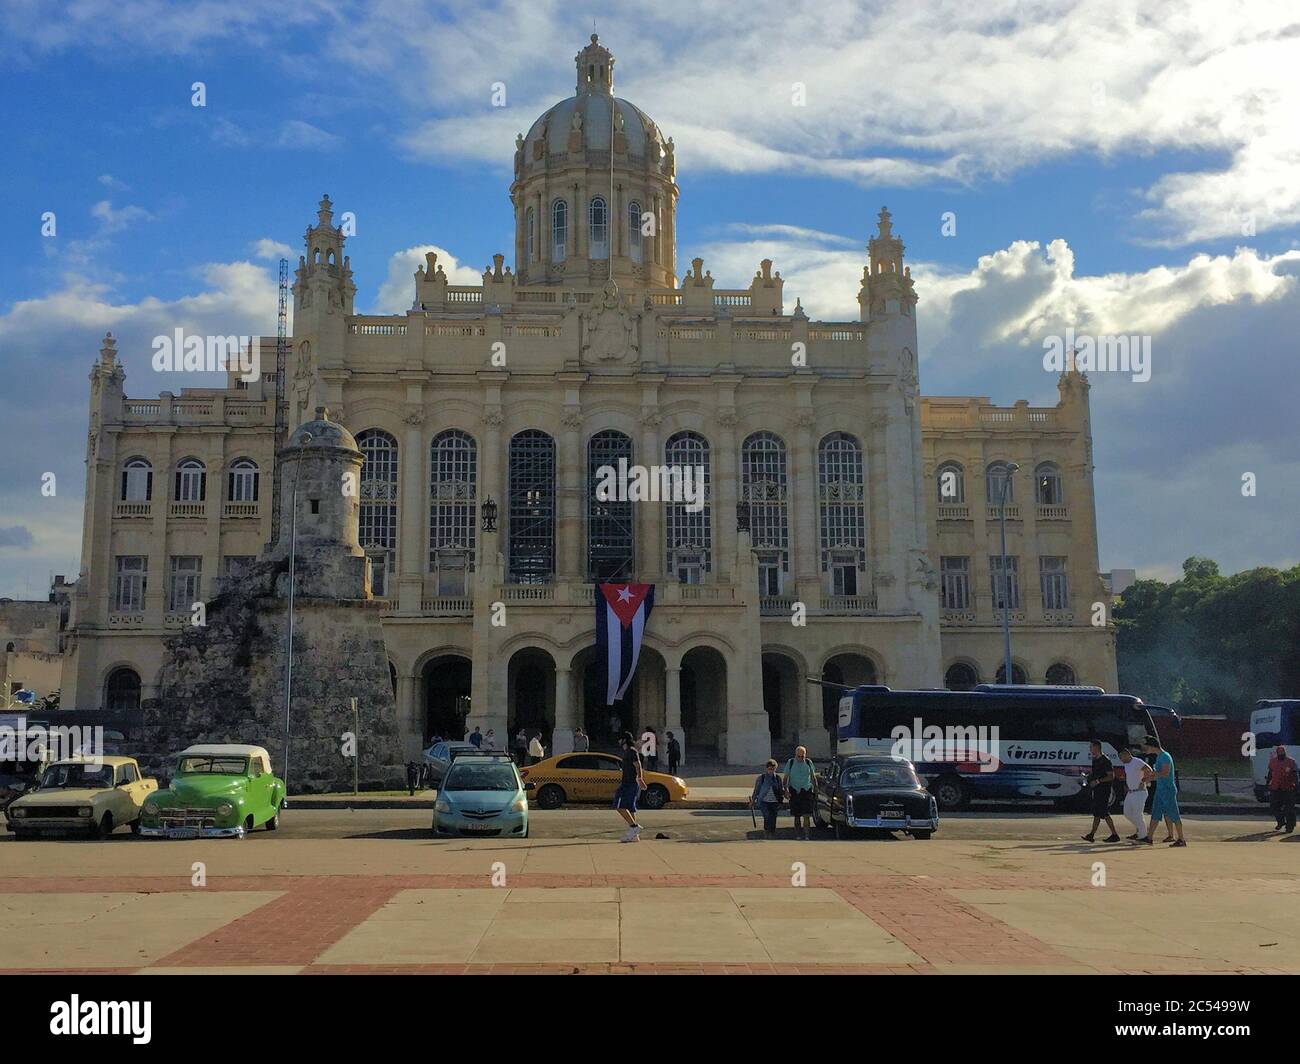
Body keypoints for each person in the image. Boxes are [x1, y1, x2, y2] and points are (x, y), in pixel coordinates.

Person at [1144, 735, 1185, 847]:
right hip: (1160, 790)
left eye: (1147, 746)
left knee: (1174, 814)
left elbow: (1165, 773)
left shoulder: (1165, 756)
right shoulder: (1159, 757)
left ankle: (1181, 839)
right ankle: (1149, 838)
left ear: (1152, 746)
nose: (1145, 749)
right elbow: (1159, 775)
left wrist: (1153, 774)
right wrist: (1149, 779)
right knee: (1156, 813)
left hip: (1167, 790)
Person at [1081, 739, 1121, 842]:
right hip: (1097, 790)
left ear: (1096, 747)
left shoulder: (1105, 761)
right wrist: (1088, 777)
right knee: (1099, 813)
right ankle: (1092, 835)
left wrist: (1098, 781)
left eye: (1091, 747)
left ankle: (1113, 834)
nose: (1090, 749)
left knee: (1102, 812)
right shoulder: (1095, 760)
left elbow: (1111, 776)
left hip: (1104, 790)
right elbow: (1095, 774)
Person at [613, 731, 645, 842]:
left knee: (619, 806)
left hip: (629, 784)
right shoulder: (627, 751)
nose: (618, 741)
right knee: (630, 809)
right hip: (626, 783)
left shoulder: (631, 751)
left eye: (620, 739)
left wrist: (640, 779)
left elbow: (638, 765)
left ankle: (634, 827)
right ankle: (634, 835)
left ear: (624, 740)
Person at [1118, 746, 1153, 844]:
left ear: (1127, 755)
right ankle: (1140, 830)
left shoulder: (1136, 762)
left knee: (1138, 814)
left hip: (1139, 792)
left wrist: (1144, 781)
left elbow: (1149, 770)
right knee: (1127, 813)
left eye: (1121, 757)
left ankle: (1144, 836)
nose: (1120, 760)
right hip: (1131, 792)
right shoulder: (1126, 764)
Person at [783, 746, 816, 840]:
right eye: (799, 756)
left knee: (807, 815)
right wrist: (785, 791)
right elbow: (785, 778)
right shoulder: (791, 762)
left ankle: (807, 835)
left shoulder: (809, 762)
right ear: (795, 755)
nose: (801, 758)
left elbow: (813, 777)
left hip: (806, 790)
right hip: (794, 790)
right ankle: (798, 835)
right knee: (796, 815)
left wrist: (815, 791)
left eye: (803, 756)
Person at [1266, 744, 1298, 832]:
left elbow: (1295, 775)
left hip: (1288, 787)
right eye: (1279, 753)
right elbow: (1270, 774)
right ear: (1277, 753)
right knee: (1274, 806)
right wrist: (1267, 784)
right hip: (1276, 787)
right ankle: (1280, 821)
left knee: (1289, 809)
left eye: (1282, 752)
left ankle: (1290, 827)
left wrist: (1296, 787)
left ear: (1285, 752)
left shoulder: (1291, 762)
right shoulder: (1273, 761)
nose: (1281, 754)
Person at [751, 759, 785, 838]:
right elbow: (756, 790)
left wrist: (784, 796)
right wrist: (753, 800)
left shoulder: (778, 778)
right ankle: (766, 833)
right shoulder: (761, 778)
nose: (771, 771)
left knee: (773, 818)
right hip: (764, 801)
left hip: (775, 801)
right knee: (767, 816)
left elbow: (780, 790)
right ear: (767, 769)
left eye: (773, 769)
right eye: (770, 769)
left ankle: (772, 834)